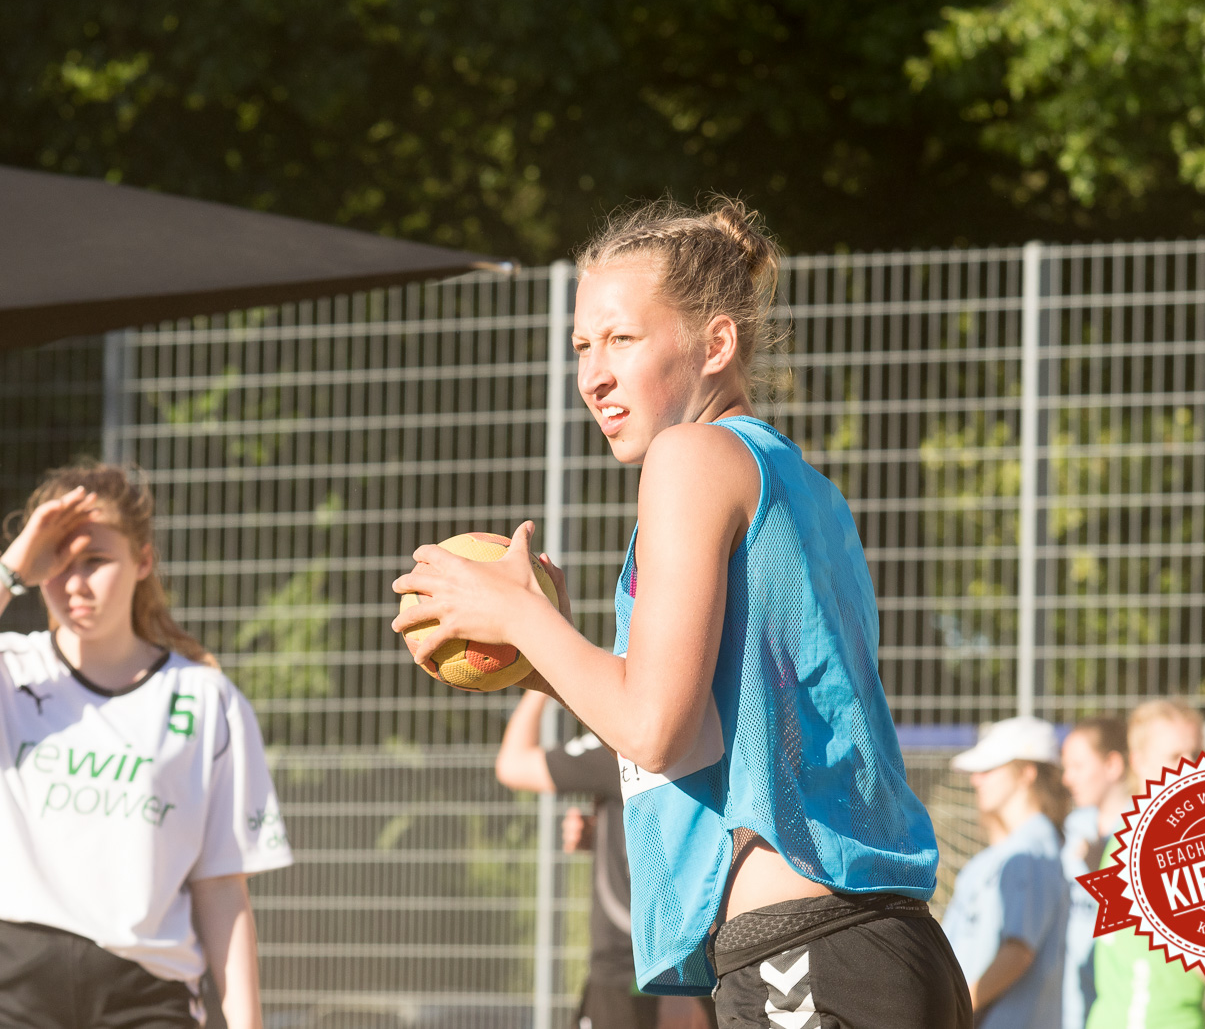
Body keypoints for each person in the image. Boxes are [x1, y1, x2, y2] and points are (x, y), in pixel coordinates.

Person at [392, 197, 970, 1029]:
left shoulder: (688, 456)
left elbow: (657, 728)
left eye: (622, 340)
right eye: (583, 346)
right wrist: (547, 659)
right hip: (889, 949)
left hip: (805, 956)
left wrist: (523, 618)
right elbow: (702, 731)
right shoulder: (803, 484)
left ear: (716, 343)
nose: (593, 373)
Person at [0, 463, 294, 1029]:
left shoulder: (205, 698)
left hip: (147, 990)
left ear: (143, 561)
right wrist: (9, 570)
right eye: (55, 560)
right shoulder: (6, 667)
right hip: (13, 978)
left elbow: (223, 886)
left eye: (95, 561)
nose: (74, 583)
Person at [495, 691, 713, 1029]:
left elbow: (513, 764)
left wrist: (537, 681)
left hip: (631, 964)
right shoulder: (712, 735)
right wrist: (603, 834)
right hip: (702, 957)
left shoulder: (619, 750)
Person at [1086, 700, 1205, 1029]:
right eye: (1174, 757)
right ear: (1138, 761)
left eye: (1198, 753)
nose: (1190, 766)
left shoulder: (1128, 832)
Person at [941, 717, 1071, 1029]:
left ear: (1027, 773)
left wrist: (951, 1011)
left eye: (989, 769)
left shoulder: (1030, 852)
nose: (976, 780)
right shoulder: (1018, 851)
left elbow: (1018, 953)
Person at [1059, 716, 1131, 1029]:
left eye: (1077, 766)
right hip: (1070, 1003)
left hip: (1120, 1002)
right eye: (1065, 767)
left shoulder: (1142, 833)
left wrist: (1100, 869)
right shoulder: (1073, 828)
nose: (1066, 778)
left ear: (1112, 765)